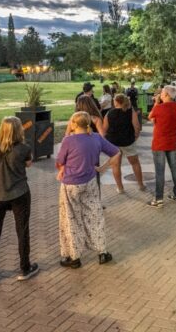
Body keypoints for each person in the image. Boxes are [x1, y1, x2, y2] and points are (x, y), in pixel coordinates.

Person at [56, 112, 120, 268]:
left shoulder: (68, 140)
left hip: (71, 185)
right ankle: (102, 252)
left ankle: (74, 257)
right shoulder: (96, 138)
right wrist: (102, 168)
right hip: (90, 181)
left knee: (71, 220)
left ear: (74, 124)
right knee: (94, 215)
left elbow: (59, 162)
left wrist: (62, 169)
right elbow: (117, 152)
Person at [0, 116, 38, 285]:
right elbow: (29, 165)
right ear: (19, 130)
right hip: (19, 193)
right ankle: (25, 268)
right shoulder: (24, 148)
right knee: (22, 230)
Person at [101, 93, 145, 193]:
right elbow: (137, 127)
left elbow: (104, 129)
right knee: (135, 163)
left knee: (116, 165)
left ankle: (120, 188)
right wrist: (135, 137)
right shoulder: (130, 111)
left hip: (113, 143)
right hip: (128, 141)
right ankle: (141, 185)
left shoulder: (109, 113)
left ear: (116, 101)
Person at [147, 85, 176, 207]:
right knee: (175, 168)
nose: (160, 94)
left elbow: (150, 116)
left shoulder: (159, 108)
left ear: (166, 94)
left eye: (162, 92)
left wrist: (156, 103)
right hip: (171, 142)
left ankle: (158, 199)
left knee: (159, 172)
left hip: (159, 143)